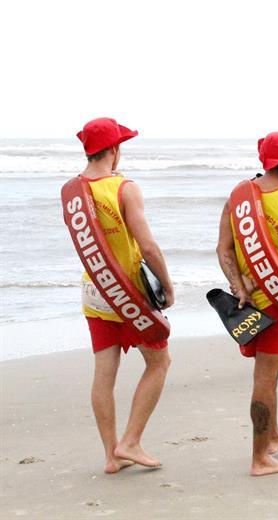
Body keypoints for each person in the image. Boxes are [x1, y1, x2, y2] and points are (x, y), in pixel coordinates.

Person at [71, 117, 175, 473]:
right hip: (128, 293)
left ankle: (111, 456)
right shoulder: (124, 188)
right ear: (114, 149)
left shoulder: (74, 192)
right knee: (159, 362)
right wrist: (168, 286)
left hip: (94, 290)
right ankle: (130, 441)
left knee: (104, 373)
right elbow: (148, 246)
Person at [216, 131, 278, 476]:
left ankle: (272, 434)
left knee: (269, 375)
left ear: (264, 159)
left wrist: (240, 285)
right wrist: (257, 284)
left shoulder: (239, 197)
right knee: (265, 379)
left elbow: (224, 249)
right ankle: (260, 457)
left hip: (248, 302)